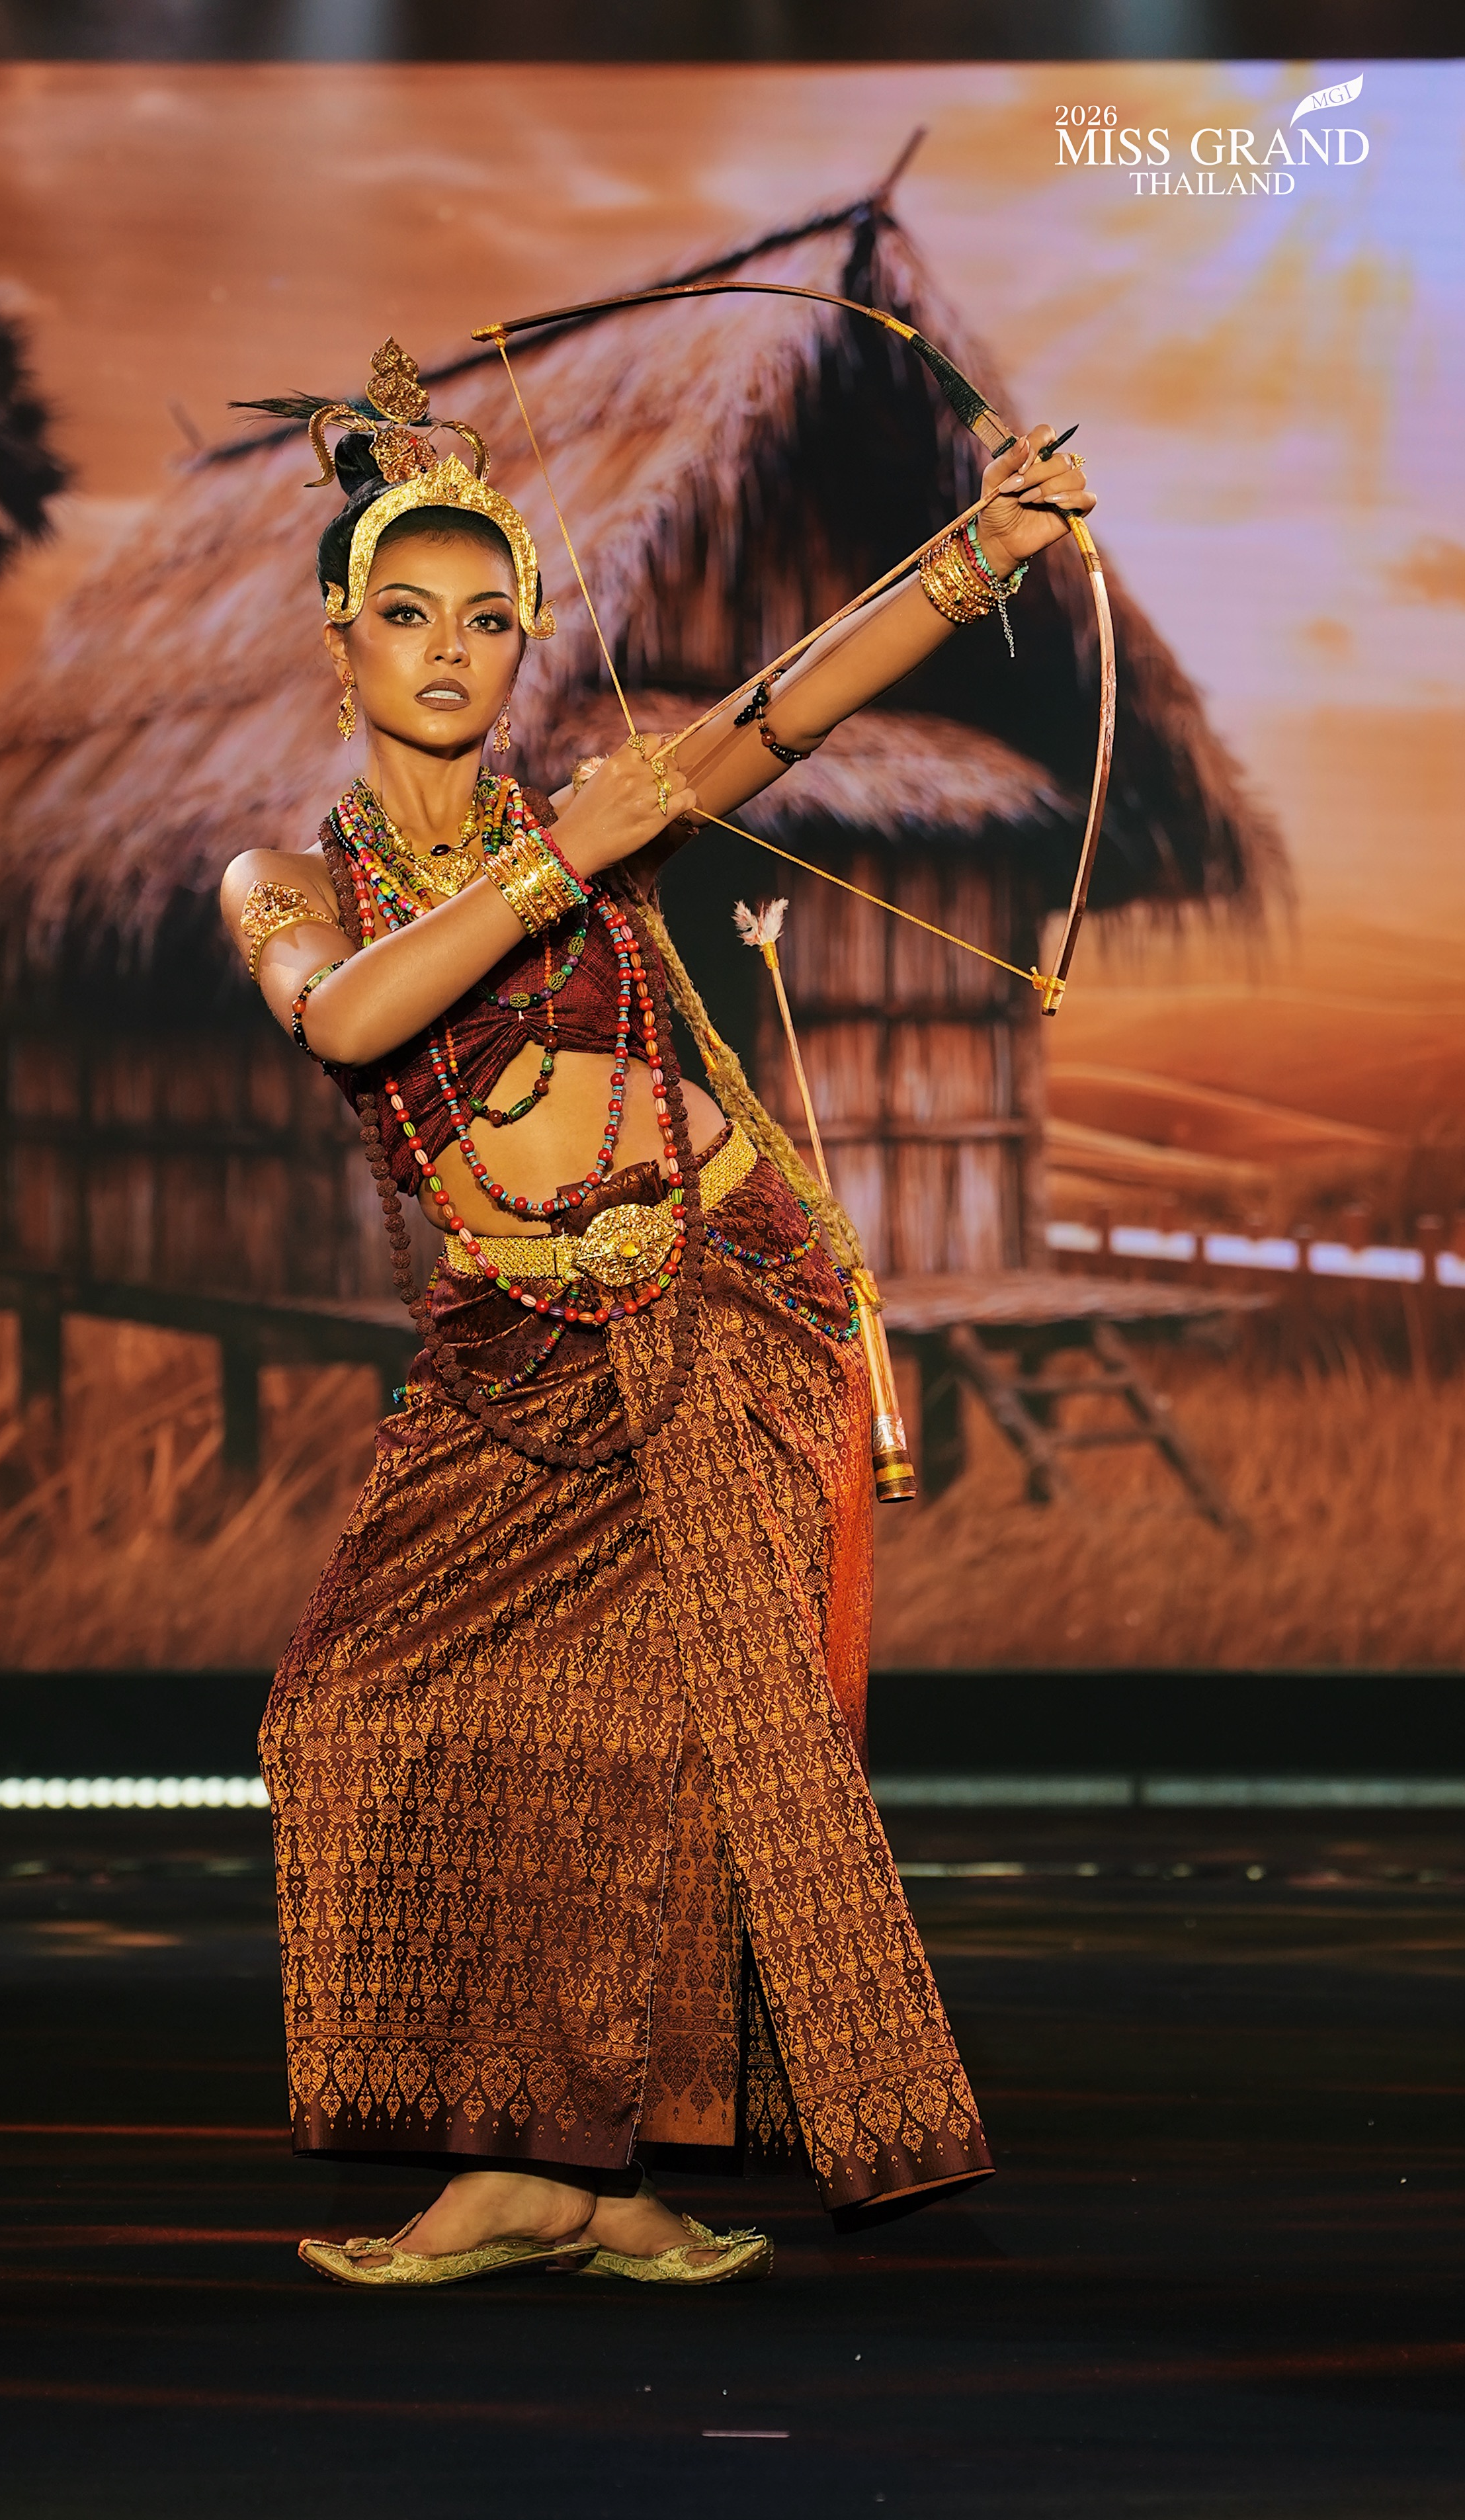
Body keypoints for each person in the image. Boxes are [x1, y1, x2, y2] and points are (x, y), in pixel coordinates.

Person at [222, 339, 1094, 2288]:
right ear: (341, 641)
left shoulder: (602, 809)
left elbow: (780, 710)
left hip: (713, 1292)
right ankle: (524, 2157)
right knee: (349, 1709)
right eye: (405, 614)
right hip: (508, 1347)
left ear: (524, 643)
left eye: (487, 619)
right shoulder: (287, 881)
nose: (449, 652)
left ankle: (588, 2176)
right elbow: (349, 1022)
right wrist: (566, 857)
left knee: (670, 1734)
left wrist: (984, 554)